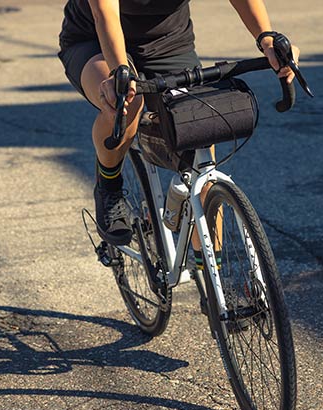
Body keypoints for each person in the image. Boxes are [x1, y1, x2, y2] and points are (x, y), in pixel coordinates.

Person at [58, 0, 299, 246]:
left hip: (168, 44)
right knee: (127, 103)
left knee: (201, 150)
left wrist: (267, 39)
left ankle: (210, 274)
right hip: (94, 42)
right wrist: (119, 70)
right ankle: (108, 186)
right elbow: (104, 15)